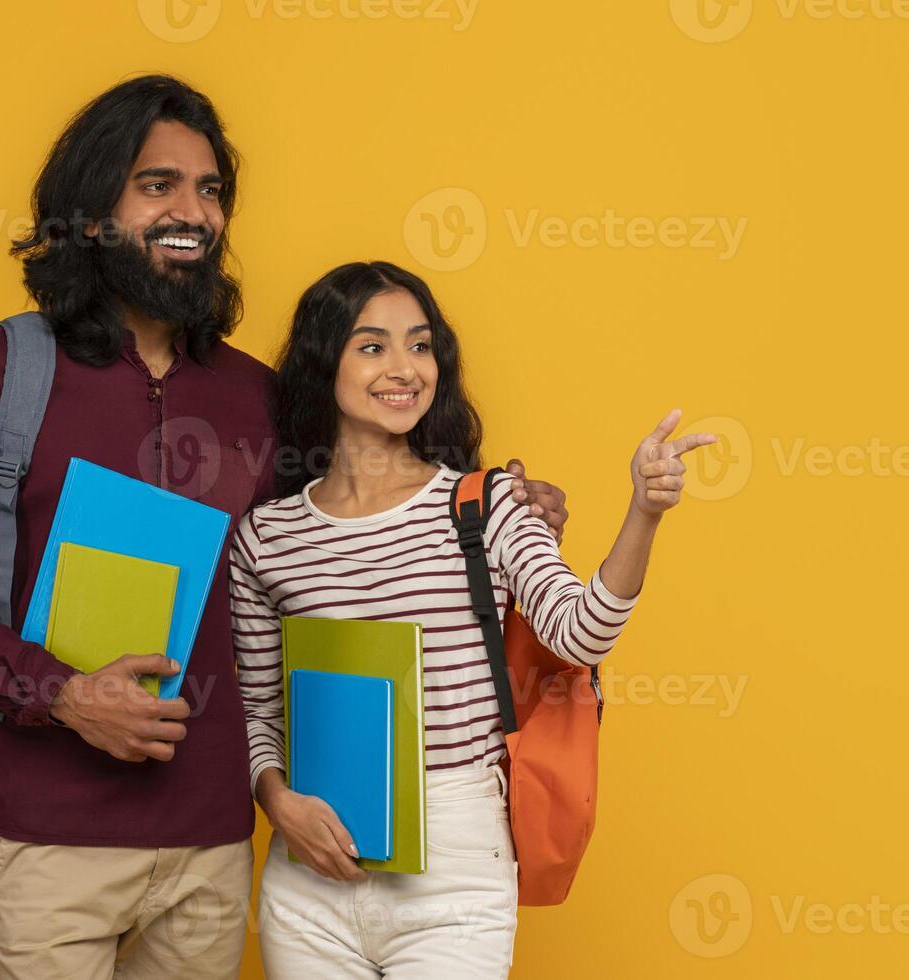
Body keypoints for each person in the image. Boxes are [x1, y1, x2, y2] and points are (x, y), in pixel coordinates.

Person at [0, 77, 571, 979]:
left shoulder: (254, 394)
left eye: (210, 191)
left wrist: (499, 507)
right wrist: (63, 695)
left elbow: (363, 508)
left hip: (214, 847)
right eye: (157, 185)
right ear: (89, 214)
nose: (192, 211)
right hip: (53, 841)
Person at [230, 260, 715, 977]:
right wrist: (277, 801)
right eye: (373, 346)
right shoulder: (267, 535)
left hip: (454, 861)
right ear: (321, 360)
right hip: (311, 865)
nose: (404, 368)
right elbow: (258, 708)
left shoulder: (484, 505)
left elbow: (580, 631)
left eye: (421, 345)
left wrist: (643, 510)